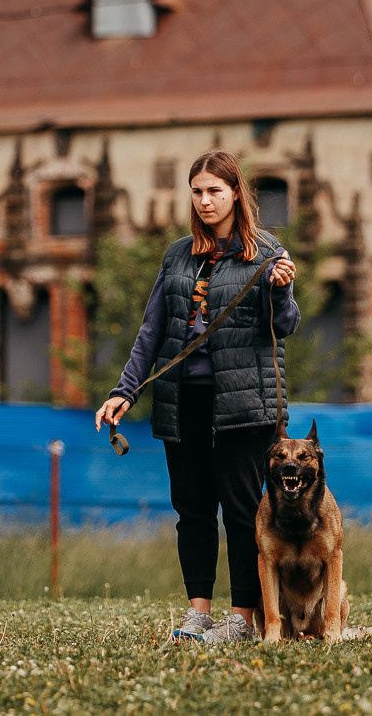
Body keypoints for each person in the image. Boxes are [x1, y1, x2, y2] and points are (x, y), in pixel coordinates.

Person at [96, 150, 299, 643]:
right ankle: (199, 614)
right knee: (192, 510)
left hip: (243, 405)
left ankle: (242, 618)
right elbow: (152, 330)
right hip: (181, 400)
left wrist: (280, 291)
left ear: (235, 194)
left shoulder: (267, 251)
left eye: (214, 191)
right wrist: (125, 390)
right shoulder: (178, 255)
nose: (205, 201)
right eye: (197, 192)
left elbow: (287, 324)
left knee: (243, 514)